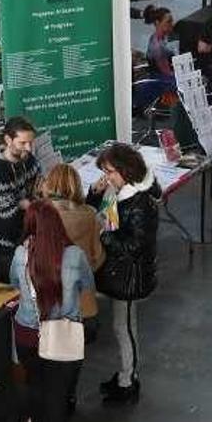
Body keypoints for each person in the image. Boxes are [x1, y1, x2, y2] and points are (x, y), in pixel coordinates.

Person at [86, 144, 160, 404]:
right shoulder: (117, 190)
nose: (106, 177)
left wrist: (104, 236)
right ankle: (125, 376)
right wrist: (94, 195)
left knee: (125, 328)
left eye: (109, 172)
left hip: (130, 277)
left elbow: (134, 246)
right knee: (122, 327)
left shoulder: (141, 204)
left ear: (125, 171)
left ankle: (129, 380)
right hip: (118, 271)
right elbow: (102, 213)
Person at [9, 200, 93, 422]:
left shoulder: (20, 255)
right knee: (58, 394)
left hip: (27, 333)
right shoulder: (75, 255)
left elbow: (14, 283)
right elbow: (88, 284)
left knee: (34, 387)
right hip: (64, 334)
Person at [39, 163, 104, 341]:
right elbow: (97, 259)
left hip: (50, 309)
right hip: (84, 310)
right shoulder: (90, 217)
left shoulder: (40, 219)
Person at [0, 116, 40, 282]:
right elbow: (9, 218)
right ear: (8, 140)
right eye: (23, 143)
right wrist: (27, 204)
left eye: (31, 143)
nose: (29, 148)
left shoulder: (26, 158)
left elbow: (39, 185)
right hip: (6, 242)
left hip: (26, 233)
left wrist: (24, 203)